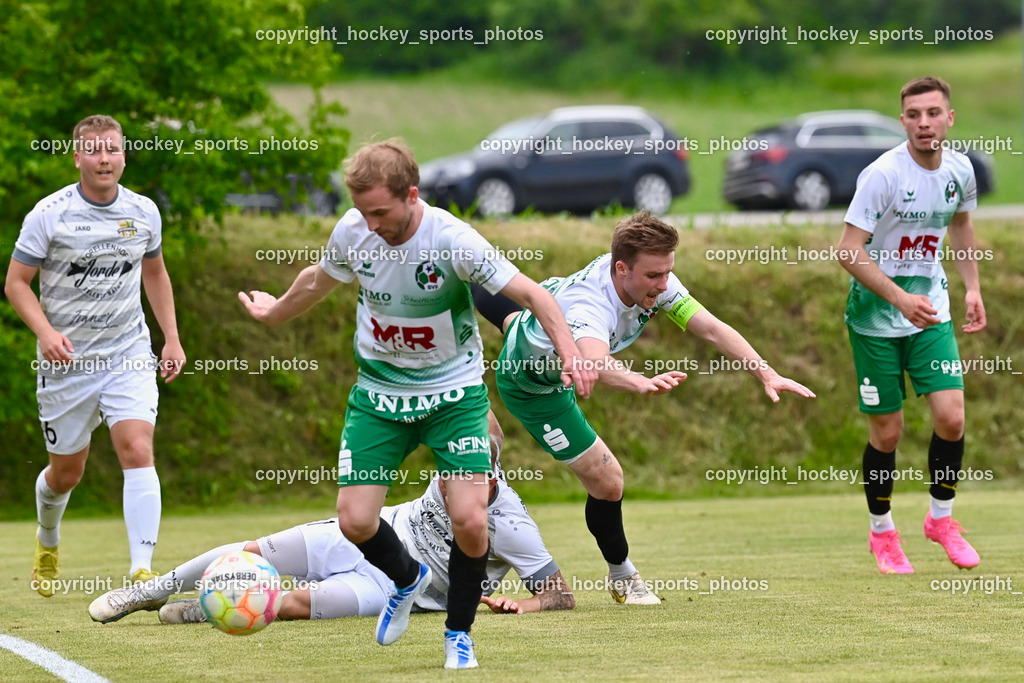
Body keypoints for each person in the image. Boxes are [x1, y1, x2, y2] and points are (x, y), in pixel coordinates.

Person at [237, 139, 594, 669]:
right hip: (380, 397)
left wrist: (571, 353)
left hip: (454, 398)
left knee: (471, 520)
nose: (370, 223)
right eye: (361, 211)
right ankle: (409, 578)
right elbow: (319, 279)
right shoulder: (355, 230)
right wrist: (276, 313)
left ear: (411, 194)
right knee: (356, 521)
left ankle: (458, 635)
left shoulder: (452, 239)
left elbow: (535, 296)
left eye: (380, 211)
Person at [473, 210, 815, 604]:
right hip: (532, 385)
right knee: (609, 481)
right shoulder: (589, 306)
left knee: (515, 315)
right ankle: (624, 577)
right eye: (654, 276)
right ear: (622, 268)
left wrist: (766, 373)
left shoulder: (655, 282)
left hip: (542, 327)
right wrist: (637, 380)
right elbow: (594, 362)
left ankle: (471, 276)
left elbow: (710, 327)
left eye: (667, 272)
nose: (664, 284)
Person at [88, 414, 573, 625]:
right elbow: (479, 419)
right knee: (250, 552)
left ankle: (206, 609)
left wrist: (522, 607)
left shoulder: (510, 523)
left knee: (294, 604)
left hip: (392, 591)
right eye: (445, 472)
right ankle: (150, 590)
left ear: (488, 479)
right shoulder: (458, 456)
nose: (447, 483)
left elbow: (560, 595)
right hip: (367, 535)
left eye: (460, 477)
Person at [5, 115, 185, 596]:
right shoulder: (50, 213)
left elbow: (156, 274)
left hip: (127, 352)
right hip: (67, 364)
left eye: (113, 149)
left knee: (137, 448)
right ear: (78, 157)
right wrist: (45, 332)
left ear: (124, 156)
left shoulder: (144, 212)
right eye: (95, 150)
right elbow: (16, 283)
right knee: (66, 474)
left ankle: (141, 572)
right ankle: (48, 539)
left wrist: (171, 337)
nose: (105, 158)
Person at [836, 77, 986, 575]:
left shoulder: (961, 169)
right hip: (876, 318)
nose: (924, 123)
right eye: (914, 114)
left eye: (933, 113)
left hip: (932, 312)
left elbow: (961, 227)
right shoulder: (882, 175)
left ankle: (940, 520)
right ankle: (882, 532)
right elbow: (847, 251)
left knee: (952, 419)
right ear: (903, 121)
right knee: (888, 433)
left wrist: (972, 289)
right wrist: (899, 297)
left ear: (949, 118)